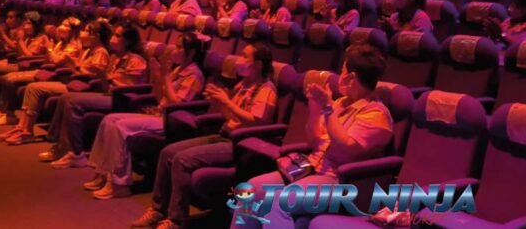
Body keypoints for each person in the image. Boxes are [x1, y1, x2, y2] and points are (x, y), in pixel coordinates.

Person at [227, 43, 393, 229]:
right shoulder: (340, 103)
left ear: (351, 77)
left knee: (278, 202)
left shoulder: (375, 114)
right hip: (311, 167)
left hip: (341, 181)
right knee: (252, 188)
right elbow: (314, 142)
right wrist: (315, 109)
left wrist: (328, 109)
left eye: (343, 70)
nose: (339, 76)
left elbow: (346, 148)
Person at [131, 43, 277, 229]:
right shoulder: (243, 85)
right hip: (224, 134)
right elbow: (231, 116)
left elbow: (258, 122)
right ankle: (157, 209)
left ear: (258, 64)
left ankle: (176, 221)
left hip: (240, 144)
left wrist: (227, 102)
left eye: (245, 56)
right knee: (167, 152)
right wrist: (220, 102)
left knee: (182, 160)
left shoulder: (266, 89)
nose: (239, 60)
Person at [85, 33, 207, 200]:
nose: (174, 50)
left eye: (179, 47)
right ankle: (102, 172)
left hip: (170, 121)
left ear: (191, 52)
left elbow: (177, 103)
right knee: (109, 119)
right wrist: (158, 76)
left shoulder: (194, 75)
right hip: (158, 113)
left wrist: (164, 77)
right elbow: (158, 96)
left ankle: (119, 184)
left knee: (120, 126)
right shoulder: (178, 69)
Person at [42, 26, 148, 168]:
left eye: (118, 36)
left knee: (73, 102)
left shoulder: (136, 60)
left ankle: (77, 154)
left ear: (128, 40)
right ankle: (61, 146)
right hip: (108, 94)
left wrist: (107, 77)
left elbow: (130, 86)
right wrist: (104, 77)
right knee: (65, 97)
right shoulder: (116, 57)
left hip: (123, 99)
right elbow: (107, 83)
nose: (113, 38)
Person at [2, 20, 112, 145]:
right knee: (32, 87)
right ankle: (22, 127)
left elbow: (95, 77)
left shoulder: (100, 52)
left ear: (96, 36)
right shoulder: (89, 50)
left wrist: (72, 63)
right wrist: (73, 63)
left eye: (86, 31)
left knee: (35, 89)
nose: (82, 33)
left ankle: (27, 132)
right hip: (75, 82)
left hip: (85, 88)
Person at [0, 17, 84, 130]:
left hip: (59, 76)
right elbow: (51, 59)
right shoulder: (61, 43)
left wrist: (50, 50)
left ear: (73, 30)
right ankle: (5, 113)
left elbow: (56, 61)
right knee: (8, 77)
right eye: (61, 24)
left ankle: (13, 118)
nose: (61, 27)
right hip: (48, 71)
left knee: (14, 81)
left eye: (66, 25)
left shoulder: (74, 45)